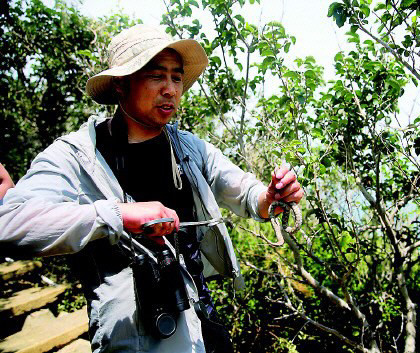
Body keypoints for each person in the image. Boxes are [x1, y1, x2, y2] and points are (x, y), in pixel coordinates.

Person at [0, 24, 303, 352]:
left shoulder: (187, 147)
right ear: (120, 84)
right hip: (135, 339)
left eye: (176, 77)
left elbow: (245, 193)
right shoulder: (77, 156)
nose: (171, 89)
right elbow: (10, 224)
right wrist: (118, 215)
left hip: (202, 321)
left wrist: (271, 197)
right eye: (156, 76)